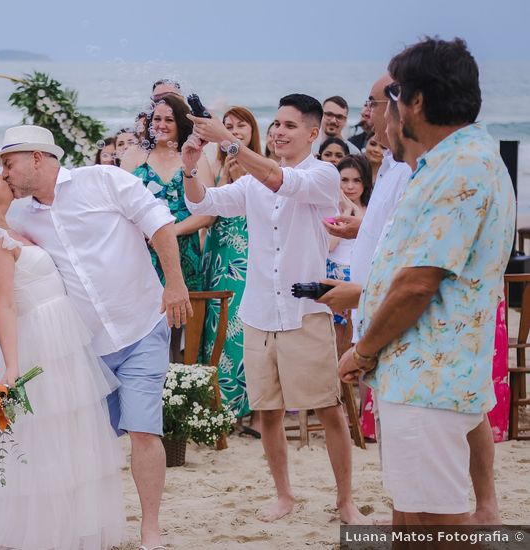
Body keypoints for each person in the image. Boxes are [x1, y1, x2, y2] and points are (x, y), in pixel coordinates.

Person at [338, 37, 515, 528]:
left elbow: (419, 284)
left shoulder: (459, 169)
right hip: (431, 375)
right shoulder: (457, 161)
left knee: (431, 525)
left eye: (391, 98)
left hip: (427, 383)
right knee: (416, 521)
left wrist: (364, 351)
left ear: (415, 101)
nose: (384, 115)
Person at [0, 125, 190, 548]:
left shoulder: (104, 180)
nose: (5, 173)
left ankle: (150, 528)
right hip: (82, 346)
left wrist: (174, 283)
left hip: (141, 325)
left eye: (8, 163)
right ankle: (88, 526)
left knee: (144, 431)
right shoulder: (18, 216)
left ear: (36, 157)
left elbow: (159, 224)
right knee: (84, 442)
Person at [183, 94, 371, 524]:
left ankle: (345, 500)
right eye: (276, 126)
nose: (279, 132)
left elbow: (281, 182)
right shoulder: (251, 181)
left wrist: (230, 144)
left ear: (312, 132)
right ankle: (284, 494)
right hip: (258, 311)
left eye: (289, 126)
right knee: (266, 410)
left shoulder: (323, 175)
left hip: (305, 312)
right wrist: (191, 165)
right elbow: (203, 203)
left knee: (329, 408)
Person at [0, 156, 126, 550]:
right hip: (37, 345)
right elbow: (6, 306)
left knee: (68, 438)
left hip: (61, 338)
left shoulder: (9, 228)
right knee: (44, 441)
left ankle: (66, 528)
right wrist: (12, 368)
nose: (5, 175)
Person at [119, 95, 214, 332]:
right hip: (142, 250)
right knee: (144, 324)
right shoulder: (134, 155)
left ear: (180, 123)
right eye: (156, 119)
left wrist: (170, 231)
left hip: (184, 253)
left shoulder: (194, 157)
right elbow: (119, 204)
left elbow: (208, 212)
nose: (161, 125)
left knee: (182, 324)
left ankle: (182, 370)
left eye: (169, 120)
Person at [198, 106, 260, 429]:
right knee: (214, 328)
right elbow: (207, 209)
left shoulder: (263, 168)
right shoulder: (214, 165)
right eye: (228, 126)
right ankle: (217, 409)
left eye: (241, 126)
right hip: (218, 254)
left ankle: (243, 408)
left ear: (252, 131)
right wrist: (223, 176)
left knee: (238, 328)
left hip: (245, 256)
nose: (235, 131)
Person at [325, 154, 372, 356]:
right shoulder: (330, 209)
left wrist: (354, 210)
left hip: (362, 278)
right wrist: (345, 209)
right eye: (344, 180)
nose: (350, 186)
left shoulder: (373, 209)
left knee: (358, 340)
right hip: (336, 275)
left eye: (356, 180)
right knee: (336, 343)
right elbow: (330, 245)